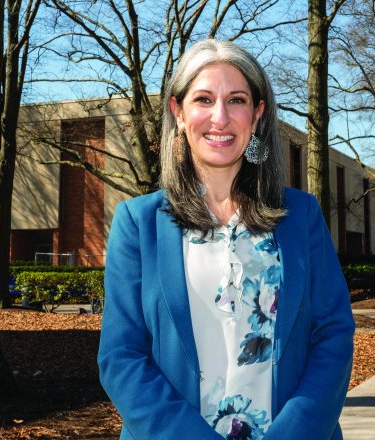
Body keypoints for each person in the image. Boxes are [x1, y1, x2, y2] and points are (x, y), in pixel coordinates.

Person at [97, 39, 355, 440]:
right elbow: (121, 356)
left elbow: (333, 335)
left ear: (257, 114)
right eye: (203, 99)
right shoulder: (138, 223)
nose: (220, 117)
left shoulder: (301, 216)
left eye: (236, 100)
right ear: (178, 112)